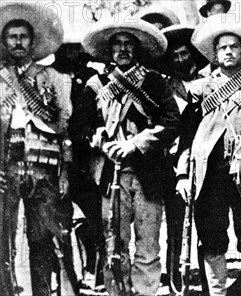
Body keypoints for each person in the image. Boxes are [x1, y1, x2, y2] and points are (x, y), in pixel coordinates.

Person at [176, 14, 241, 296]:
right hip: (208, 175)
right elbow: (186, 137)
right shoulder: (200, 91)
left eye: (234, 46)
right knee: (212, 238)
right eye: (222, 47)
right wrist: (183, 175)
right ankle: (218, 292)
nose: (228, 51)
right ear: (214, 53)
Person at [82, 19, 180, 296]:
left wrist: (136, 144)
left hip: (147, 173)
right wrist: (102, 140)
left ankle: (146, 290)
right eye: (118, 44)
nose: (123, 50)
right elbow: (80, 126)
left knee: (148, 243)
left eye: (129, 44)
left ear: (137, 49)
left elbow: (172, 121)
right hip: (109, 174)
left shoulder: (153, 82)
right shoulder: (96, 83)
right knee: (115, 242)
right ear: (109, 50)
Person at [0, 3, 73, 295]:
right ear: (4, 42)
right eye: (12, 36)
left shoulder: (53, 77)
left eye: (23, 36)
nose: (18, 41)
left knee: (42, 239)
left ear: (33, 41)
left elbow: (63, 128)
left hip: (45, 169)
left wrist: (65, 171)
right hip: (6, 168)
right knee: (3, 240)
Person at [161, 23, 210, 295]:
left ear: (193, 54)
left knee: (205, 224)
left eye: (184, 54)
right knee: (175, 225)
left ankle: (206, 282)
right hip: (174, 162)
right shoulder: (167, 87)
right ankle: (175, 280)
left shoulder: (210, 83)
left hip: (205, 162)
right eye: (175, 56)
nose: (180, 59)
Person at [53, 41, 105, 290]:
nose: (72, 54)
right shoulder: (50, 75)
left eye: (76, 48)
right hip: (58, 156)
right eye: (67, 48)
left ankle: (98, 270)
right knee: (59, 219)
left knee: (95, 218)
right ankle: (65, 279)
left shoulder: (91, 77)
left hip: (87, 157)